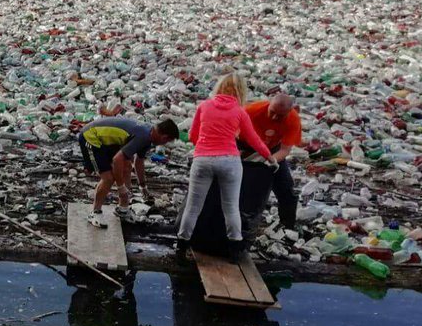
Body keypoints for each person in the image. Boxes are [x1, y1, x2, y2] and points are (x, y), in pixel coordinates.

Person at [176, 73, 276, 259]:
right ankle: (234, 250)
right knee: (230, 207)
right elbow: (253, 139)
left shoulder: (204, 106)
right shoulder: (240, 111)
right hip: (229, 161)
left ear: (219, 87)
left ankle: (181, 245)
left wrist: (205, 143)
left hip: (202, 160)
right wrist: (269, 157)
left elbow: (192, 136)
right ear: (240, 91)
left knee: (193, 207)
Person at [77, 116, 179, 227]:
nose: (163, 144)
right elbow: (116, 160)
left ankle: (123, 209)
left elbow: (138, 161)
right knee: (108, 178)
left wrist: (142, 186)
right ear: (164, 137)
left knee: (126, 166)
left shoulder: (149, 135)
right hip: (90, 137)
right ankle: (95, 212)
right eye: (166, 141)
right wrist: (121, 188)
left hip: (105, 139)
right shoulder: (144, 136)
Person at [241, 93, 302, 230]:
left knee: (287, 190)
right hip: (246, 148)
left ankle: (288, 228)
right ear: (269, 104)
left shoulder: (293, 119)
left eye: (280, 116)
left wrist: (270, 161)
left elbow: (285, 150)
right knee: (243, 188)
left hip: (272, 152)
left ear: (289, 112)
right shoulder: (251, 111)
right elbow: (232, 133)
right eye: (272, 112)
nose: (274, 118)